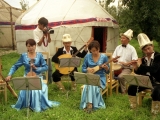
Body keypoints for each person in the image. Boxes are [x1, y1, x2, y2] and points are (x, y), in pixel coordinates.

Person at [5, 39, 60, 112]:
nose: (30, 48)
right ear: (26, 47)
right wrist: (9, 75)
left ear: (35, 46)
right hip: (27, 76)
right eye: (28, 46)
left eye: (32, 46)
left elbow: (46, 67)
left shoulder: (39, 55)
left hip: (37, 77)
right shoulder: (23, 56)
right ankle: (26, 105)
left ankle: (36, 106)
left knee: (36, 91)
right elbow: (15, 66)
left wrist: (36, 68)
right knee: (25, 89)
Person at [128, 33, 160, 115]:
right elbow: (141, 72)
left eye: (149, 48)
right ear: (143, 50)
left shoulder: (158, 57)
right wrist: (135, 67)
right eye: (145, 50)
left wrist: (140, 65)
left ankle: (154, 113)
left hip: (158, 81)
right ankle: (133, 109)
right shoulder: (144, 59)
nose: (147, 51)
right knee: (131, 87)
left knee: (156, 91)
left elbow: (154, 70)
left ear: (152, 46)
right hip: (147, 81)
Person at [80, 41, 109, 113]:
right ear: (90, 50)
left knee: (91, 84)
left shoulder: (104, 57)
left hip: (100, 78)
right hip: (90, 77)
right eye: (93, 51)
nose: (95, 52)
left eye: (96, 50)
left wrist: (106, 68)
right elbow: (83, 69)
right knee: (90, 84)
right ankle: (90, 105)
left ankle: (89, 105)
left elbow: (108, 72)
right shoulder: (87, 56)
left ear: (99, 49)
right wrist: (87, 69)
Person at [112, 29, 138, 94]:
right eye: (121, 38)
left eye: (123, 38)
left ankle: (123, 90)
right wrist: (114, 60)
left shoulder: (132, 49)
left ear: (128, 40)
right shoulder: (118, 47)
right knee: (109, 73)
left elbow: (135, 60)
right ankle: (114, 87)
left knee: (121, 77)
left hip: (127, 68)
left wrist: (127, 63)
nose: (121, 39)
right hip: (117, 66)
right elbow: (113, 58)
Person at [33, 17, 52, 83]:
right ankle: (42, 82)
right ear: (39, 24)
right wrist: (43, 35)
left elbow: (49, 41)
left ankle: (50, 82)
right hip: (40, 53)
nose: (44, 27)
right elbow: (39, 43)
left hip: (47, 51)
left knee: (49, 69)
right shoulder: (35, 31)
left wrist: (48, 33)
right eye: (43, 25)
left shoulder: (46, 30)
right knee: (41, 69)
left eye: (45, 25)